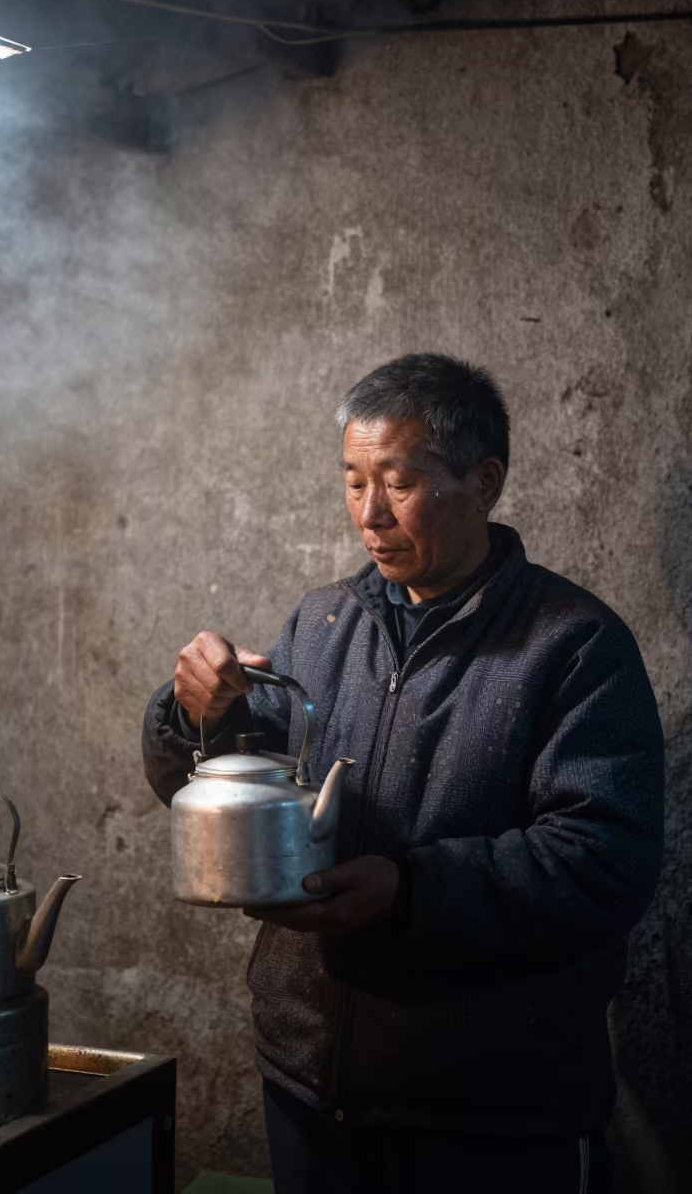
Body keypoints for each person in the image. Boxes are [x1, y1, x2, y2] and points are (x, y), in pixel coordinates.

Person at [143, 352, 663, 1194]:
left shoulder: (573, 646)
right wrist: (197, 711)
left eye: (400, 483)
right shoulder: (323, 623)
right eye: (354, 483)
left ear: (484, 482)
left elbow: (605, 860)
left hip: (488, 1110)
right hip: (309, 1085)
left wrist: (410, 890)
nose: (369, 514)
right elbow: (220, 787)